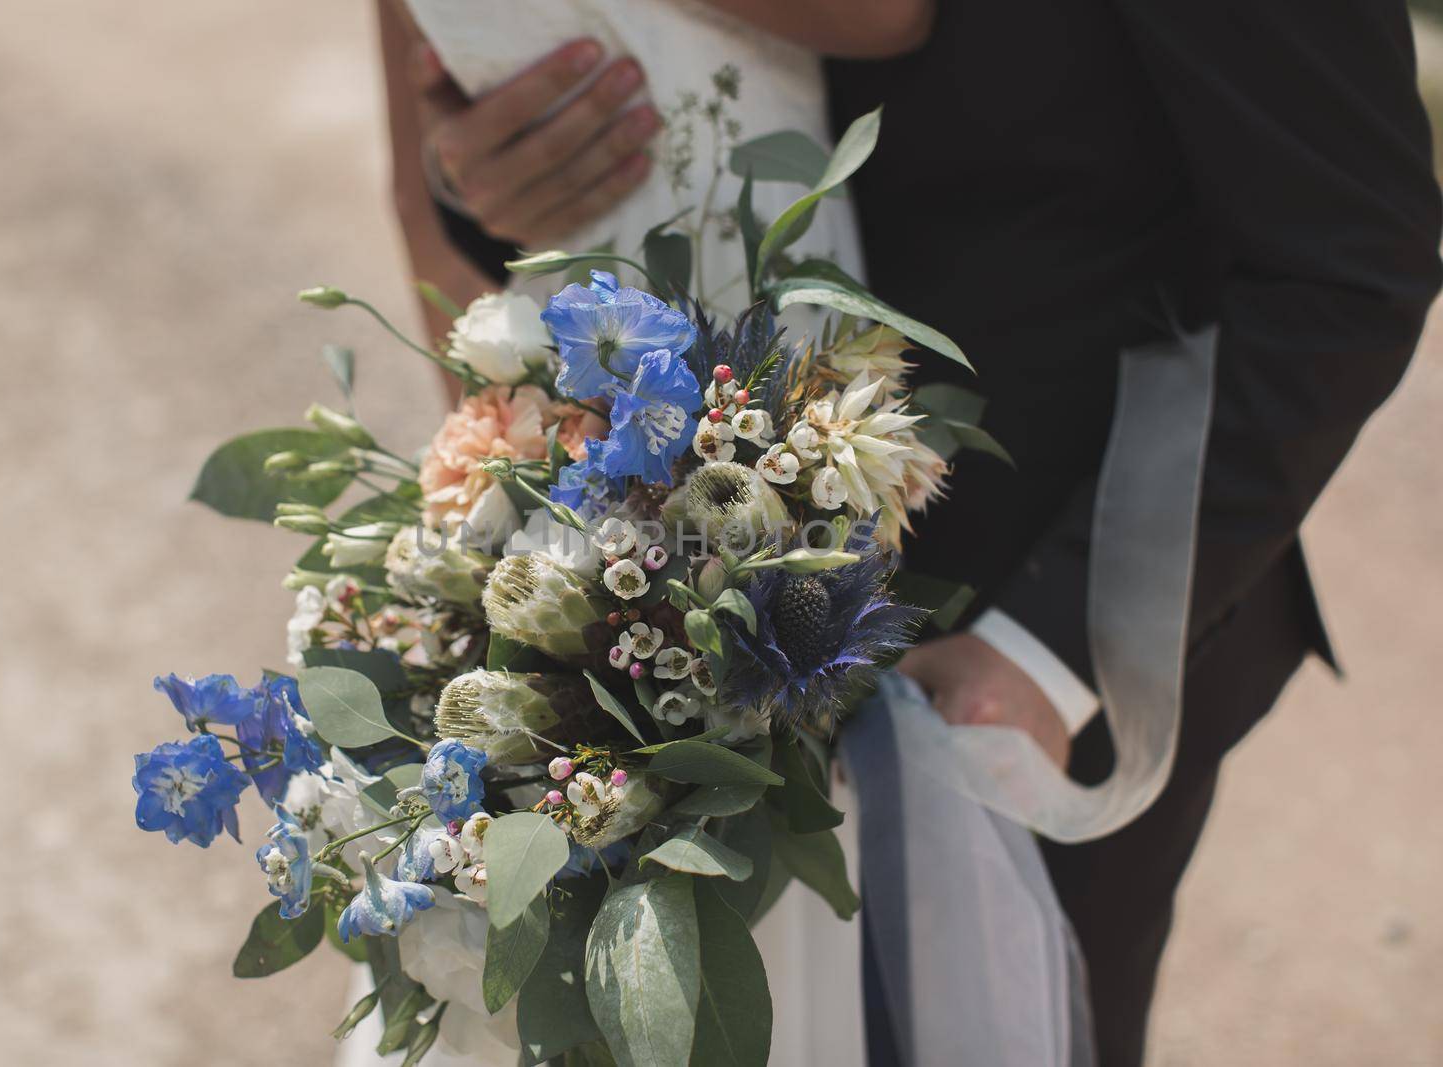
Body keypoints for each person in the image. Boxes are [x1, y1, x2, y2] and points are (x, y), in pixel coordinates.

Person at [374, 0, 1443, 1064]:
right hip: (644, 608)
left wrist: (1048, 646)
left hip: (1016, 633)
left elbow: (1345, 263)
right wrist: (487, 177)